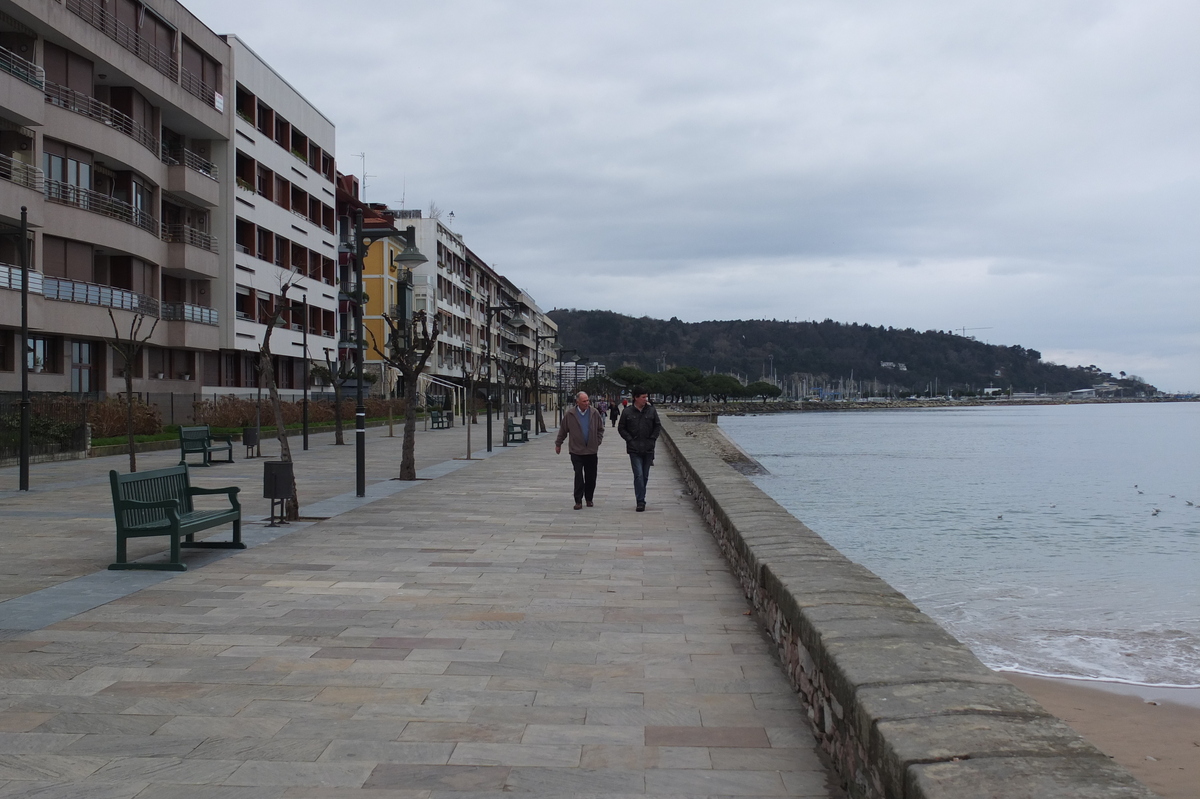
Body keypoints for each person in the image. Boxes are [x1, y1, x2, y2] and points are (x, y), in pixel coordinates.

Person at [555, 391, 605, 510]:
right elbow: (563, 430)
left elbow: (600, 429)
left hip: (591, 450)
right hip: (576, 451)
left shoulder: (594, 413)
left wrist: (597, 441)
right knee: (578, 475)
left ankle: (589, 498)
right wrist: (558, 444)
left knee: (591, 476)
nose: (587, 403)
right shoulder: (570, 414)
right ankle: (578, 500)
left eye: (587, 400)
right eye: (584, 401)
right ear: (577, 402)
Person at [617, 386, 661, 512]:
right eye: (643, 397)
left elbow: (657, 426)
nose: (645, 399)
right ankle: (640, 501)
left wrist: (652, 439)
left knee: (645, 476)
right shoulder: (627, 412)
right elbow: (621, 428)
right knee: (639, 475)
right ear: (636, 398)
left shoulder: (651, 411)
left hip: (648, 449)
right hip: (634, 449)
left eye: (646, 397)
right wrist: (630, 440)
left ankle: (641, 495)